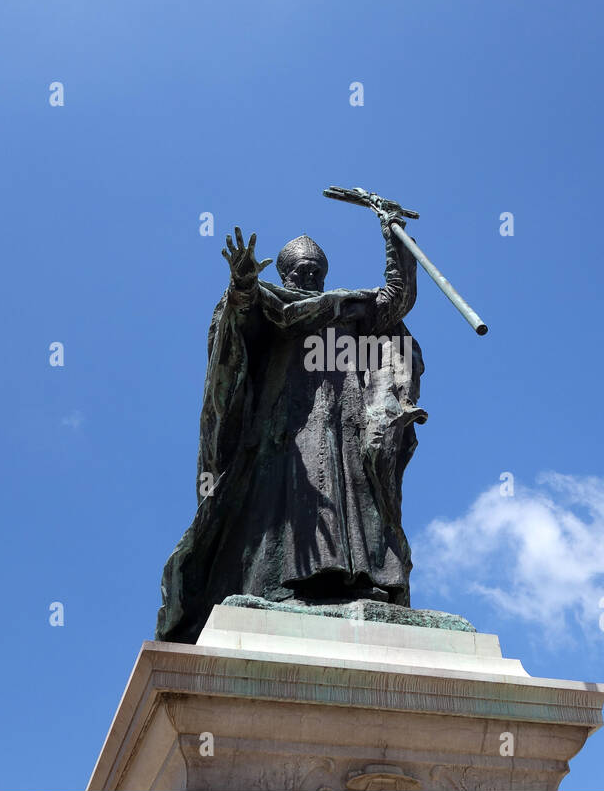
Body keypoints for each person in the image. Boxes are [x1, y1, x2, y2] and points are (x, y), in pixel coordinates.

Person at [154, 216, 426, 644]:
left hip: (347, 417)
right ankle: (291, 585)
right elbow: (238, 324)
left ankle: (357, 581)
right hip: (285, 420)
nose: (309, 276)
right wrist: (242, 286)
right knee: (292, 498)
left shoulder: (347, 307)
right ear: (285, 273)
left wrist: (395, 240)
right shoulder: (270, 302)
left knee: (354, 489)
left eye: (316, 271)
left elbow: (394, 299)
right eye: (301, 271)